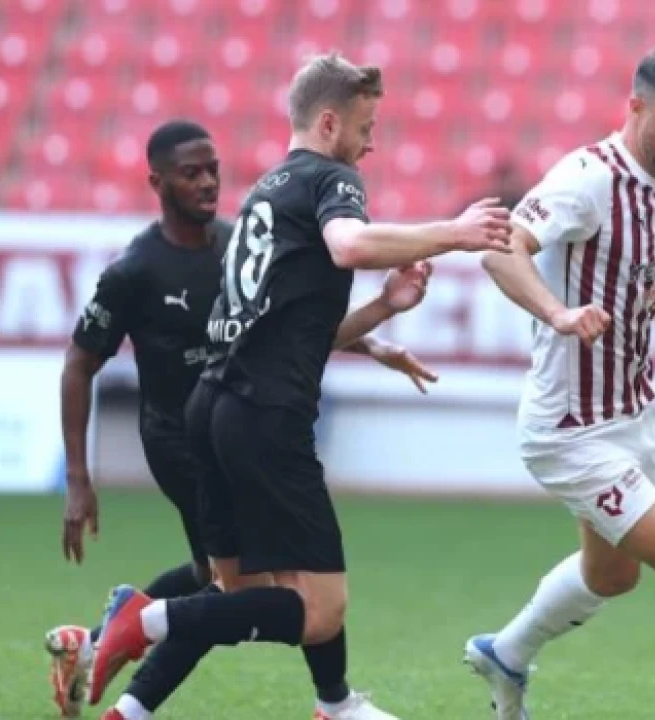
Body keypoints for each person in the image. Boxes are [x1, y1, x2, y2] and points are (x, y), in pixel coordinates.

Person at [85, 54, 511, 720]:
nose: (370, 144)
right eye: (365, 128)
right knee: (320, 611)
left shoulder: (265, 192)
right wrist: (452, 234)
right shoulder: (329, 178)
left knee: (236, 591)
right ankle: (143, 620)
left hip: (212, 407)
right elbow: (350, 246)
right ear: (330, 122)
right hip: (265, 417)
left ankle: (141, 704)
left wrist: (383, 309)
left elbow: (293, 333)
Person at [46, 119, 438, 718]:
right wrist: (78, 477)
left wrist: (377, 335)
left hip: (239, 424)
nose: (208, 182)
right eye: (191, 173)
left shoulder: (240, 247)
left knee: (240, 584)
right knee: (253, 586)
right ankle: (326, 702)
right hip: (184, 439)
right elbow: (79, 364)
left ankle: (112, 654)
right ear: (157, 182)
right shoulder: (135, 271)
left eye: (213, 170)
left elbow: (288, 333)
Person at [465, 48, 655, 719]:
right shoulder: (587, 178)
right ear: (636, 107)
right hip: (570, 430)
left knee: (611, 575)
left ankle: (506, 654)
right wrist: (557, 312)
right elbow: (499, 249)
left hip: (628, 420)